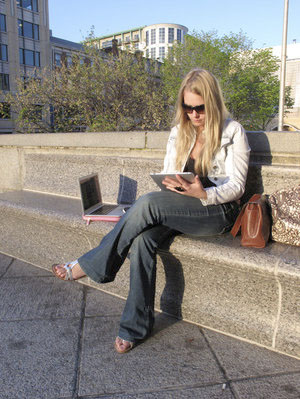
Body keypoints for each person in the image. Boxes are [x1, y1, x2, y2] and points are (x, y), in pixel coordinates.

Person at [52, 68, 250, 354]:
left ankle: (92, 264)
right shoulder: (179, 133)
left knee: (145, 203)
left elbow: (238, 187)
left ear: (214, 102)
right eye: (187, 107)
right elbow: (170, 172)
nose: (194, 114)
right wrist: (174, 184)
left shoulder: (233, 132)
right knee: (143, 240)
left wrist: (203, 192)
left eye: (200, 108)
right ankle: (134, 327)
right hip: (182, 204)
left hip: (218, 209)